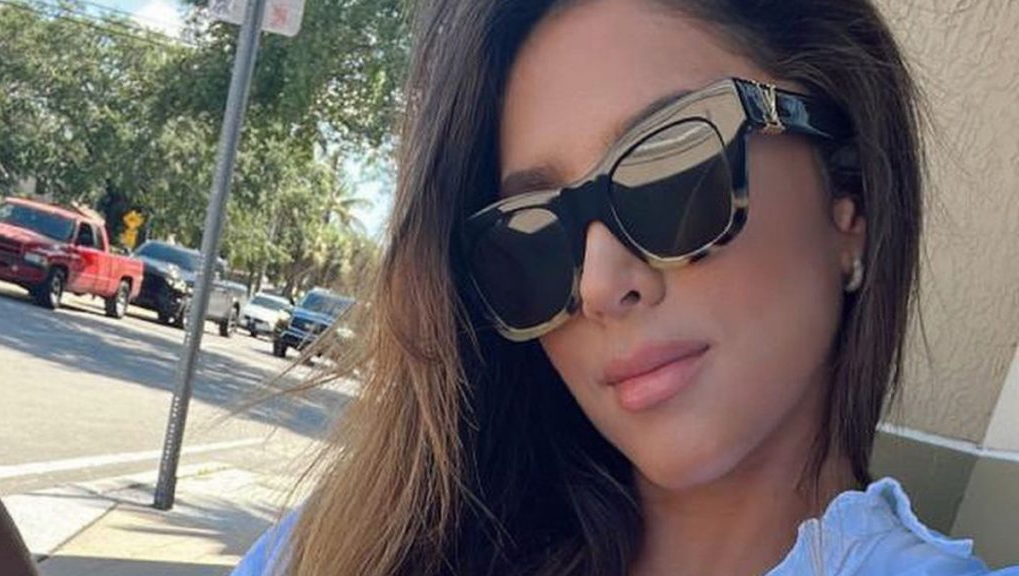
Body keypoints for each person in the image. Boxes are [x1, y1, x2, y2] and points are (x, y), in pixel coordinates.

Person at [233, 0, 1019, 575]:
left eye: (670, 174)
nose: (601, 285)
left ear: (851, 201)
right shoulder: (356, 547)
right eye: (532, 236)